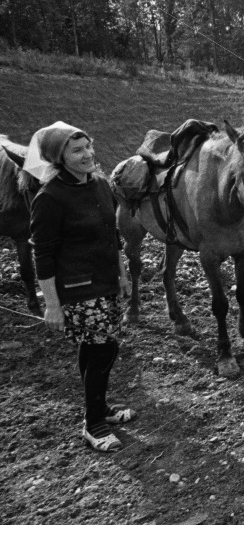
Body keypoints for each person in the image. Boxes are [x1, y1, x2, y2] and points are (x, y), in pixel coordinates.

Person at [26, 122, 134, 452]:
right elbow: (42, 254)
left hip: (107, 281)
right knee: (101, 349)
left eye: (88, 146)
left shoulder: (101, 184)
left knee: (103, 347)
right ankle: (94, 425)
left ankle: (99, 408)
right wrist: (53, 304)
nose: (88, 154)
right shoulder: (51, 197)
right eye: (77, 150)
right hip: (78, 288)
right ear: (59, 158)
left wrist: (123, 273)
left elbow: (111, 234)